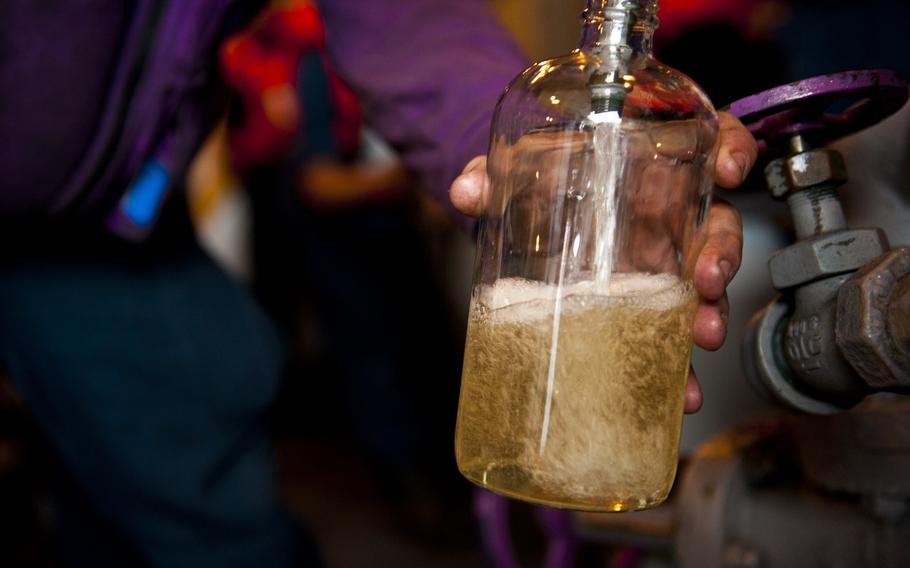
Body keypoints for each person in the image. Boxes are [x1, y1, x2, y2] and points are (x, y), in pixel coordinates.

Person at [0, 1, 757, 566]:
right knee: (189, 481)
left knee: (167, 440)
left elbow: (402, 13)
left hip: (107, 208)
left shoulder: (664, 105)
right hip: (43, 223)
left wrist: (522, 161)